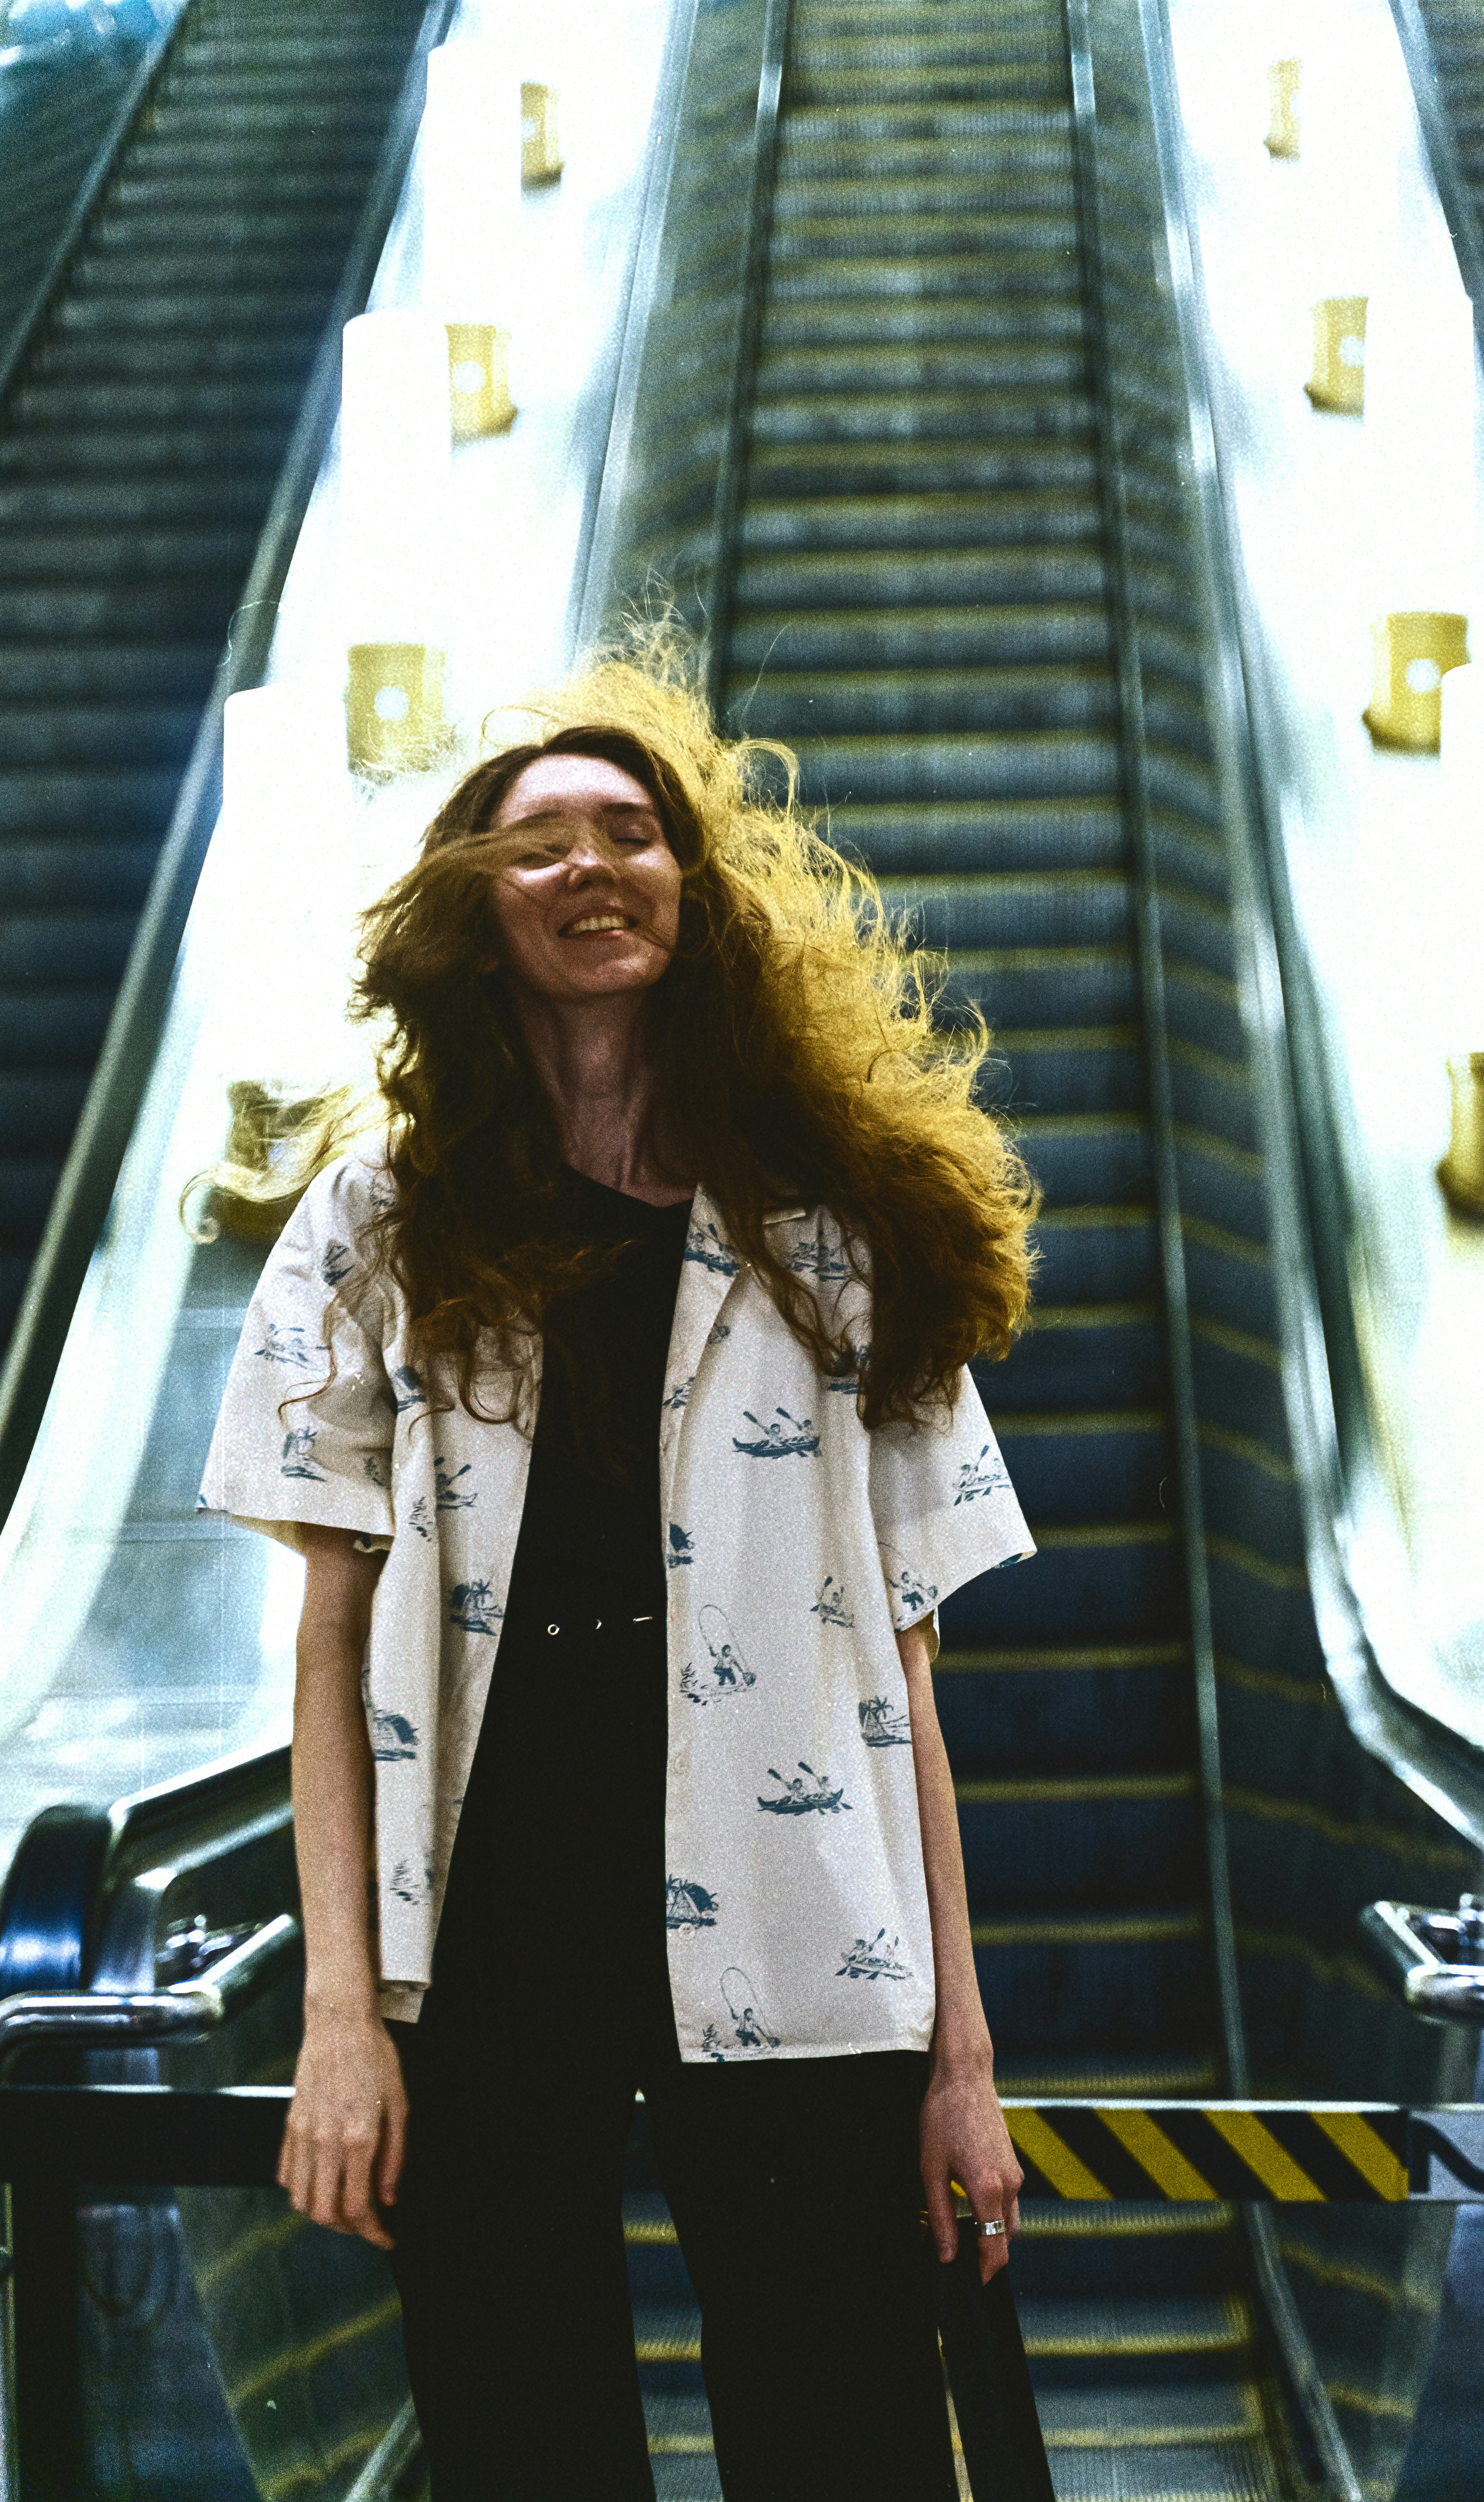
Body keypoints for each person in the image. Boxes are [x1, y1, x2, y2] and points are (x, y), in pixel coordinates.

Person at [200, 656, 1038, 2499]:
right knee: (520, 2441)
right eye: (538, 844)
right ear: (468, 917)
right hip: (487, 1914)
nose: (594, 864)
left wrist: (958, 2058)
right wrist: (340, 2023)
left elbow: (910, 1677)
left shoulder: (835, 1222)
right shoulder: (376, 1218)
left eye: (633, 832)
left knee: (849, 2441)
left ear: (692, 890)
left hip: (800, 1913)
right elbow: (328, 1653)